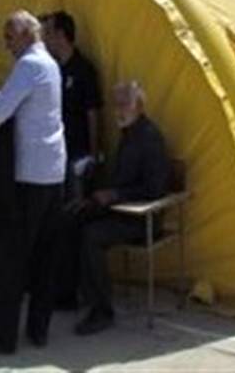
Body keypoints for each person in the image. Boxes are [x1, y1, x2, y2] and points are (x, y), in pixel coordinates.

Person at [0, 10, 66, 354]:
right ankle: (39, 329)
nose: (6, 45)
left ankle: (2, 335)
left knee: (11, 260)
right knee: (45, 258)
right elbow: (20, 98)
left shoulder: (28, 65)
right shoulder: (49, 64)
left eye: (9, 37)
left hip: (27, 177)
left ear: (26, 35)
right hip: (53, 172)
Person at [68, 81, 169, 336]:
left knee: (91, 237)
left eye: (124, 105)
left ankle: (102, 310)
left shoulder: (149, 138)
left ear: (139, 106)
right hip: (121, 208)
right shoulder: (128, 134)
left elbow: (155, 188)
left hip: (142, 218)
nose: (118, 111)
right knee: (72, 217)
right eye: (116, 105)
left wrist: (116, 194)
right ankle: (70, 292)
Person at [41, 11, 102, 197]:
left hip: (77, 152)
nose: (44, 40)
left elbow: (92, 112)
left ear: (60, 35)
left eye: (48, 33)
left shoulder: (83, 69)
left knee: (76, 201)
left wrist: (93, 154)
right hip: (56, 151)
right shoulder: (53, 70)